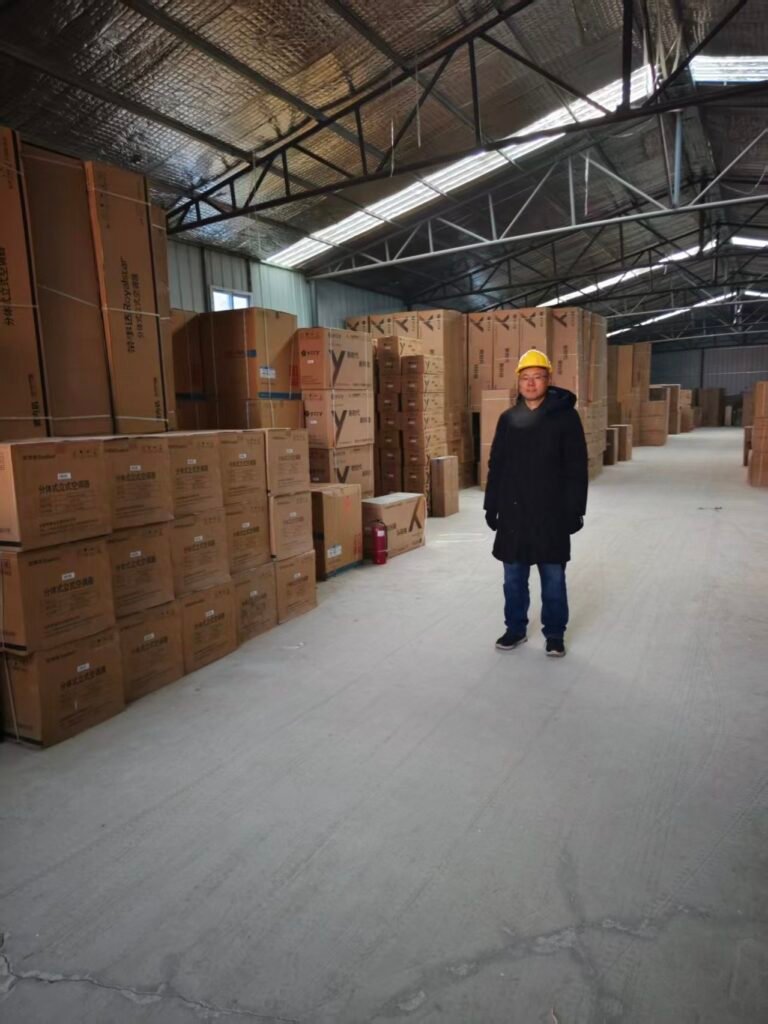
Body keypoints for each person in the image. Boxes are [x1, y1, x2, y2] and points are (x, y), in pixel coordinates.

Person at [483, 348, 588, 658]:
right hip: (515, 513)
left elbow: (576, 467)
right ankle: (515, 628)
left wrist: (575, 509)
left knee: (553, 577)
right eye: (525, 378)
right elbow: (496, 464)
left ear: (548, 379)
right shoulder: (508, 419)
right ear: (519, 381)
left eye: (537, 377)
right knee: (513, 577)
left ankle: (554, 633)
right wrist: (492, 504)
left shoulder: (565, 418)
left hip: (551, 513)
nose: (530, 384)